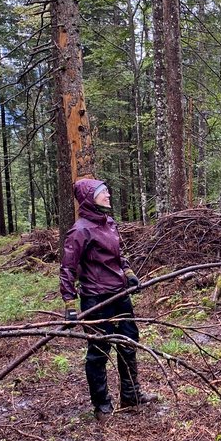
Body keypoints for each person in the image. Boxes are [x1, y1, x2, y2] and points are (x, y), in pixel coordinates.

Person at [60, 177, 157, 419]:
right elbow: (68, 269)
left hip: (119, 294)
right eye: (103, 193)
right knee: (98, 351)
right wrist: (69, 304)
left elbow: (119, 256)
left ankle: (131, 395)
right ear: (89, 199)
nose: (108, 195)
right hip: (96, 299)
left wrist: (130, 274)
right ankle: (102, 406)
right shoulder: (80, 230)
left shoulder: (109, 223)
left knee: (128, 342)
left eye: (107, 192)